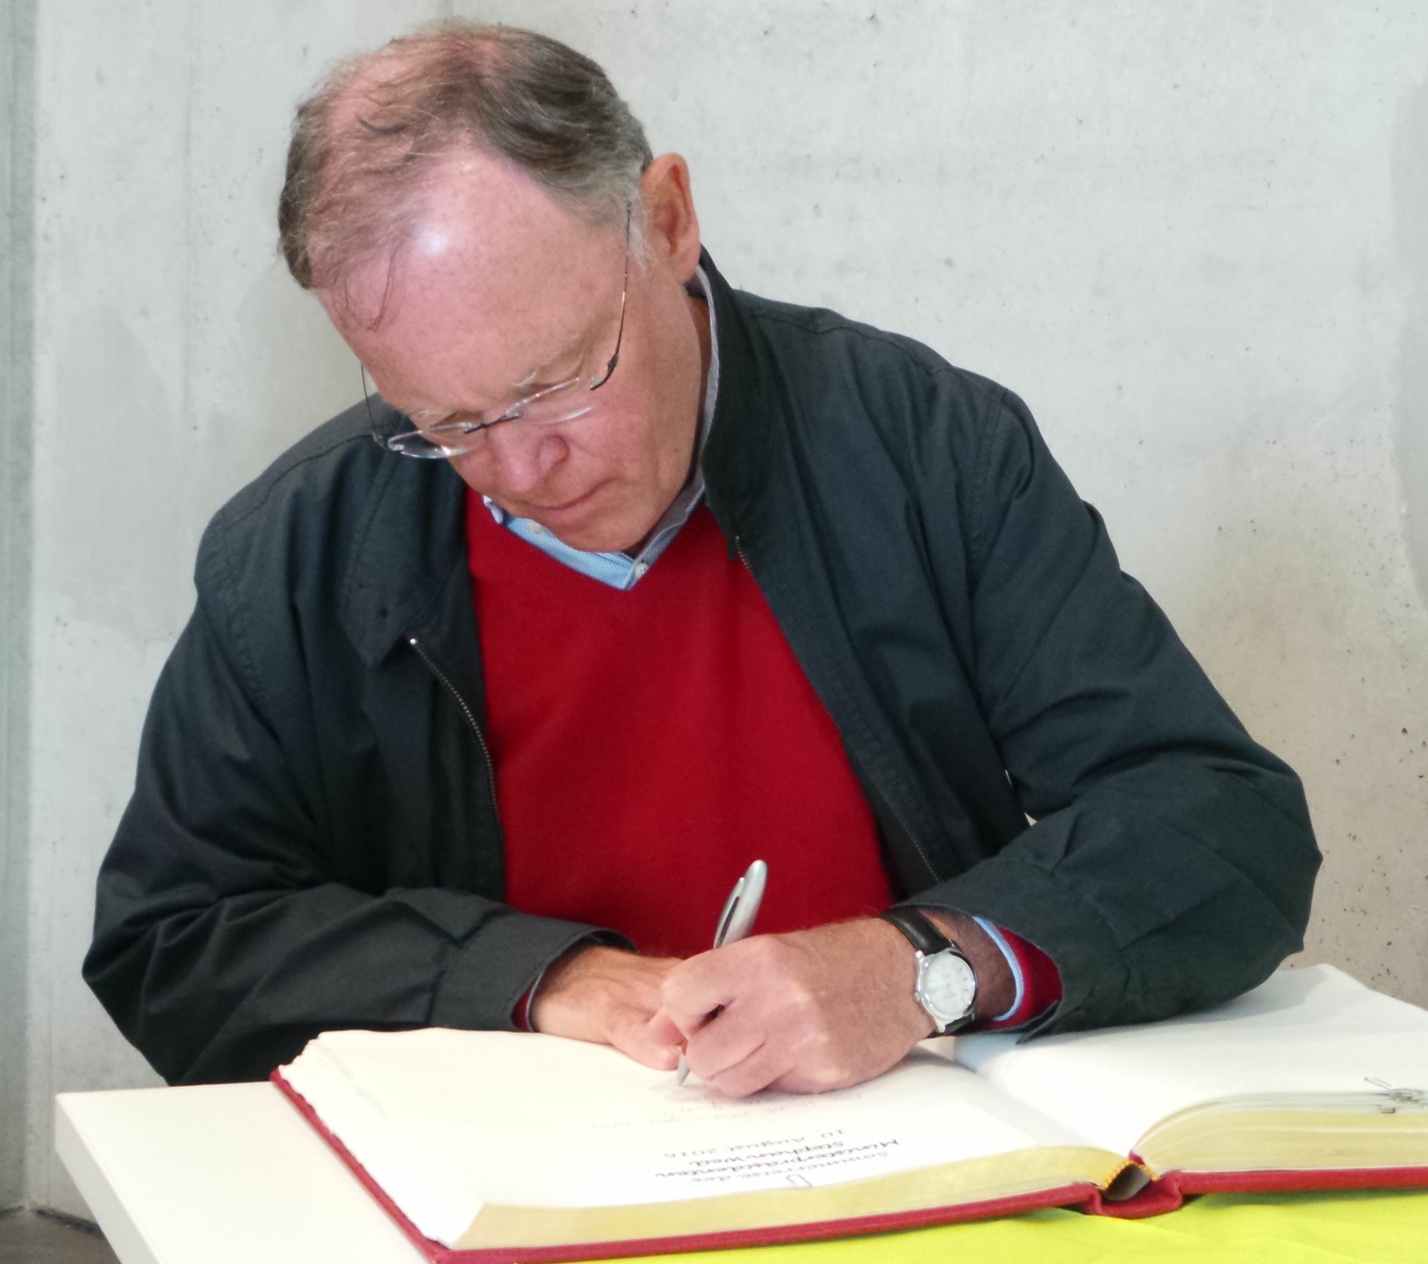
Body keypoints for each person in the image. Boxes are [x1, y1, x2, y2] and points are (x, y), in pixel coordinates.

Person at [83, 21, 1320, 1094]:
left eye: (556, 382)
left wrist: (918, 967)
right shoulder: (298, 547)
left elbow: (1221, 824)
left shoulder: (922, 445)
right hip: (513, 1194)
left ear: (667, 221)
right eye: (445, 423)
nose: (521, 467)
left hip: (905, 1143)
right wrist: (535, 977)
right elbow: (176, 943)